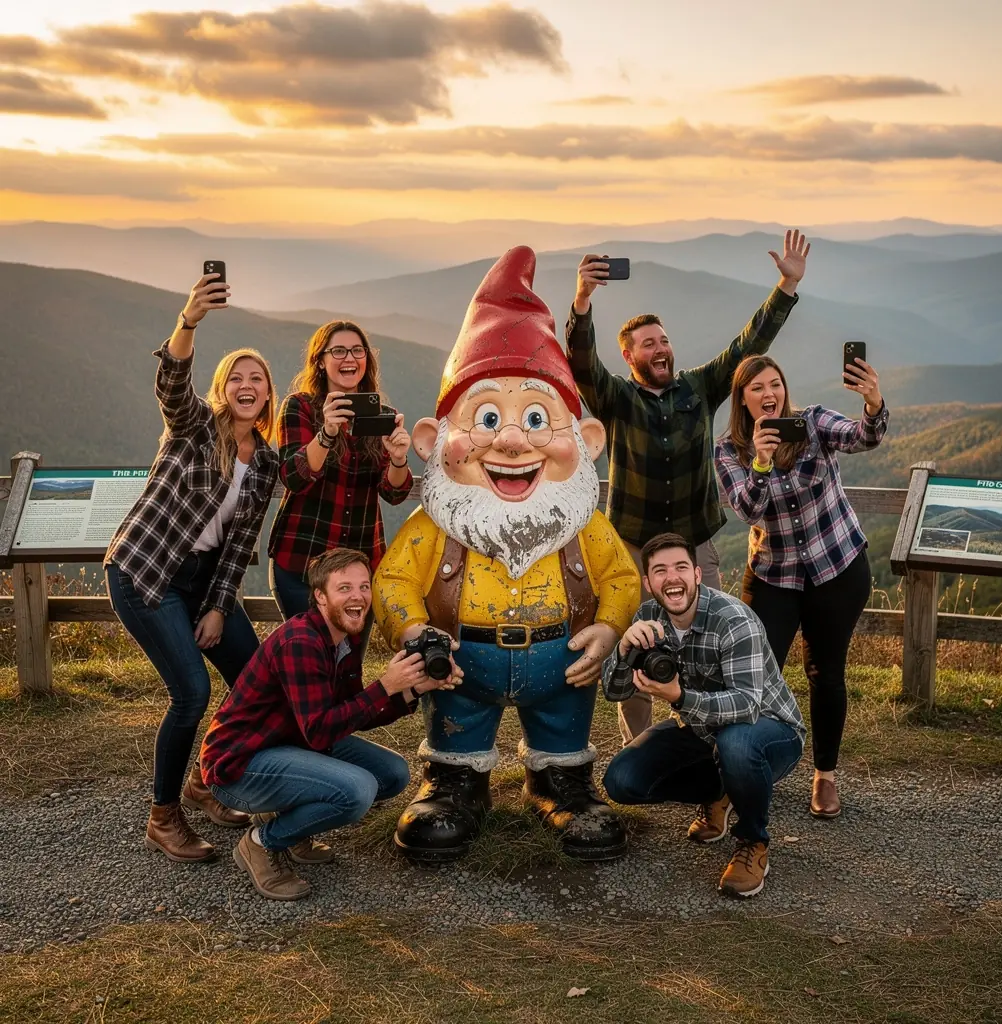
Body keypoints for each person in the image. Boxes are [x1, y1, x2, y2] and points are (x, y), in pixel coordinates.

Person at [373, 245, 640, 865]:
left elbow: (621, 576)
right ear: (433, 443)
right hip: (463, 667)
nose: (513, 440)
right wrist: (415, 632)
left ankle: (561, 777)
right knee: (459, 730)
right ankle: (455, 780)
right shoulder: (433, 526)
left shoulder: (583, 524)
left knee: (562, 730)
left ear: (586, 442)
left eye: (537, 418)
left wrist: (607, 626)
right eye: (487, 416)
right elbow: (393, 583)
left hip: (561, 665)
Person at [566, 230, 811, 745]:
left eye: (664, 339)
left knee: (712, 641)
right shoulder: (616, 400)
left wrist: (785, 288)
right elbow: (584, 364)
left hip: (696, 542)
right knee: (635, 645)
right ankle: (641, 744)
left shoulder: (699, 387)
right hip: (633, 546)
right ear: (630, 356)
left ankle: (709, 740)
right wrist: (583, 301)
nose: (661, 348)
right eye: (648, 343)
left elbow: (749, 347)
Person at [105, 272, 279, 863]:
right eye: (237, 376)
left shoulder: (268, 462)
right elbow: (171, 382)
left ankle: (205, 782)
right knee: (191, 692)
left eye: (258, 379)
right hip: (145, 572)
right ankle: (163, 815)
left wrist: (217, 607)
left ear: (268, 395)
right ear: (222, 387)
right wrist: (190, 320)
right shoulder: (195, 428)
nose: (247, 385)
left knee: (255, 677)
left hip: (203, 580)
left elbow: (238, 546)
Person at [200, 547, 461, 901]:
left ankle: (288, 823)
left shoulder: (345, 639)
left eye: (364, 587)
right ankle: (262, 842)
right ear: (320, 597)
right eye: (345, 588)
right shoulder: (301, 642)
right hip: (240, 765)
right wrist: (384, 686)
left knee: (393, 773)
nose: (358, 596)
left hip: (291, 742)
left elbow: (352, 714)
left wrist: (411, 690)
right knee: (357, 790)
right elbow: (321, 730)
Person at [714, 353, 888, 818]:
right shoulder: (730, 449)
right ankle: (740, 770)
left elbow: (862, 437)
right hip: (775, 574)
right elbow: (749, 510)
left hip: (838, 567)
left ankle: (825, 776)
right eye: (757, 388)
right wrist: (763, 461)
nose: (769, 394)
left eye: (775, 383)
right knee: (751, 674)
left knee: (825, 672)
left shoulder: (812, 423)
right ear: (742, 398)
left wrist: (872, 403)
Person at [602, 534, 805, 898]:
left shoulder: (733, 619)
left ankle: (753, 841)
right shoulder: (648, 617)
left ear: (697, 574)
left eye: (681, 567)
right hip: (700, 730)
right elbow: (612, 692)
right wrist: (623, 649)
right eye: (660, 571)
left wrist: (679, 696)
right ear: (648, 583)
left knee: (737, 742)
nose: (672, 578)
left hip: (770, 731)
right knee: (621, 780)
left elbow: (745, 706)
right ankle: (721, 790)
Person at [268, 319, 413, 632]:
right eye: (339, 351)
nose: (349, 358)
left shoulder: (380, 416)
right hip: (302, 563)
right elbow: (294, 477)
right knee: (308, 655)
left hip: (359, 571)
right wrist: (327, 432)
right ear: (320, 361)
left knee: (348, 666)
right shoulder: (300, 407)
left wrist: (399, 459)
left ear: (367, 360)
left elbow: (394, 492)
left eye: (357, 350)